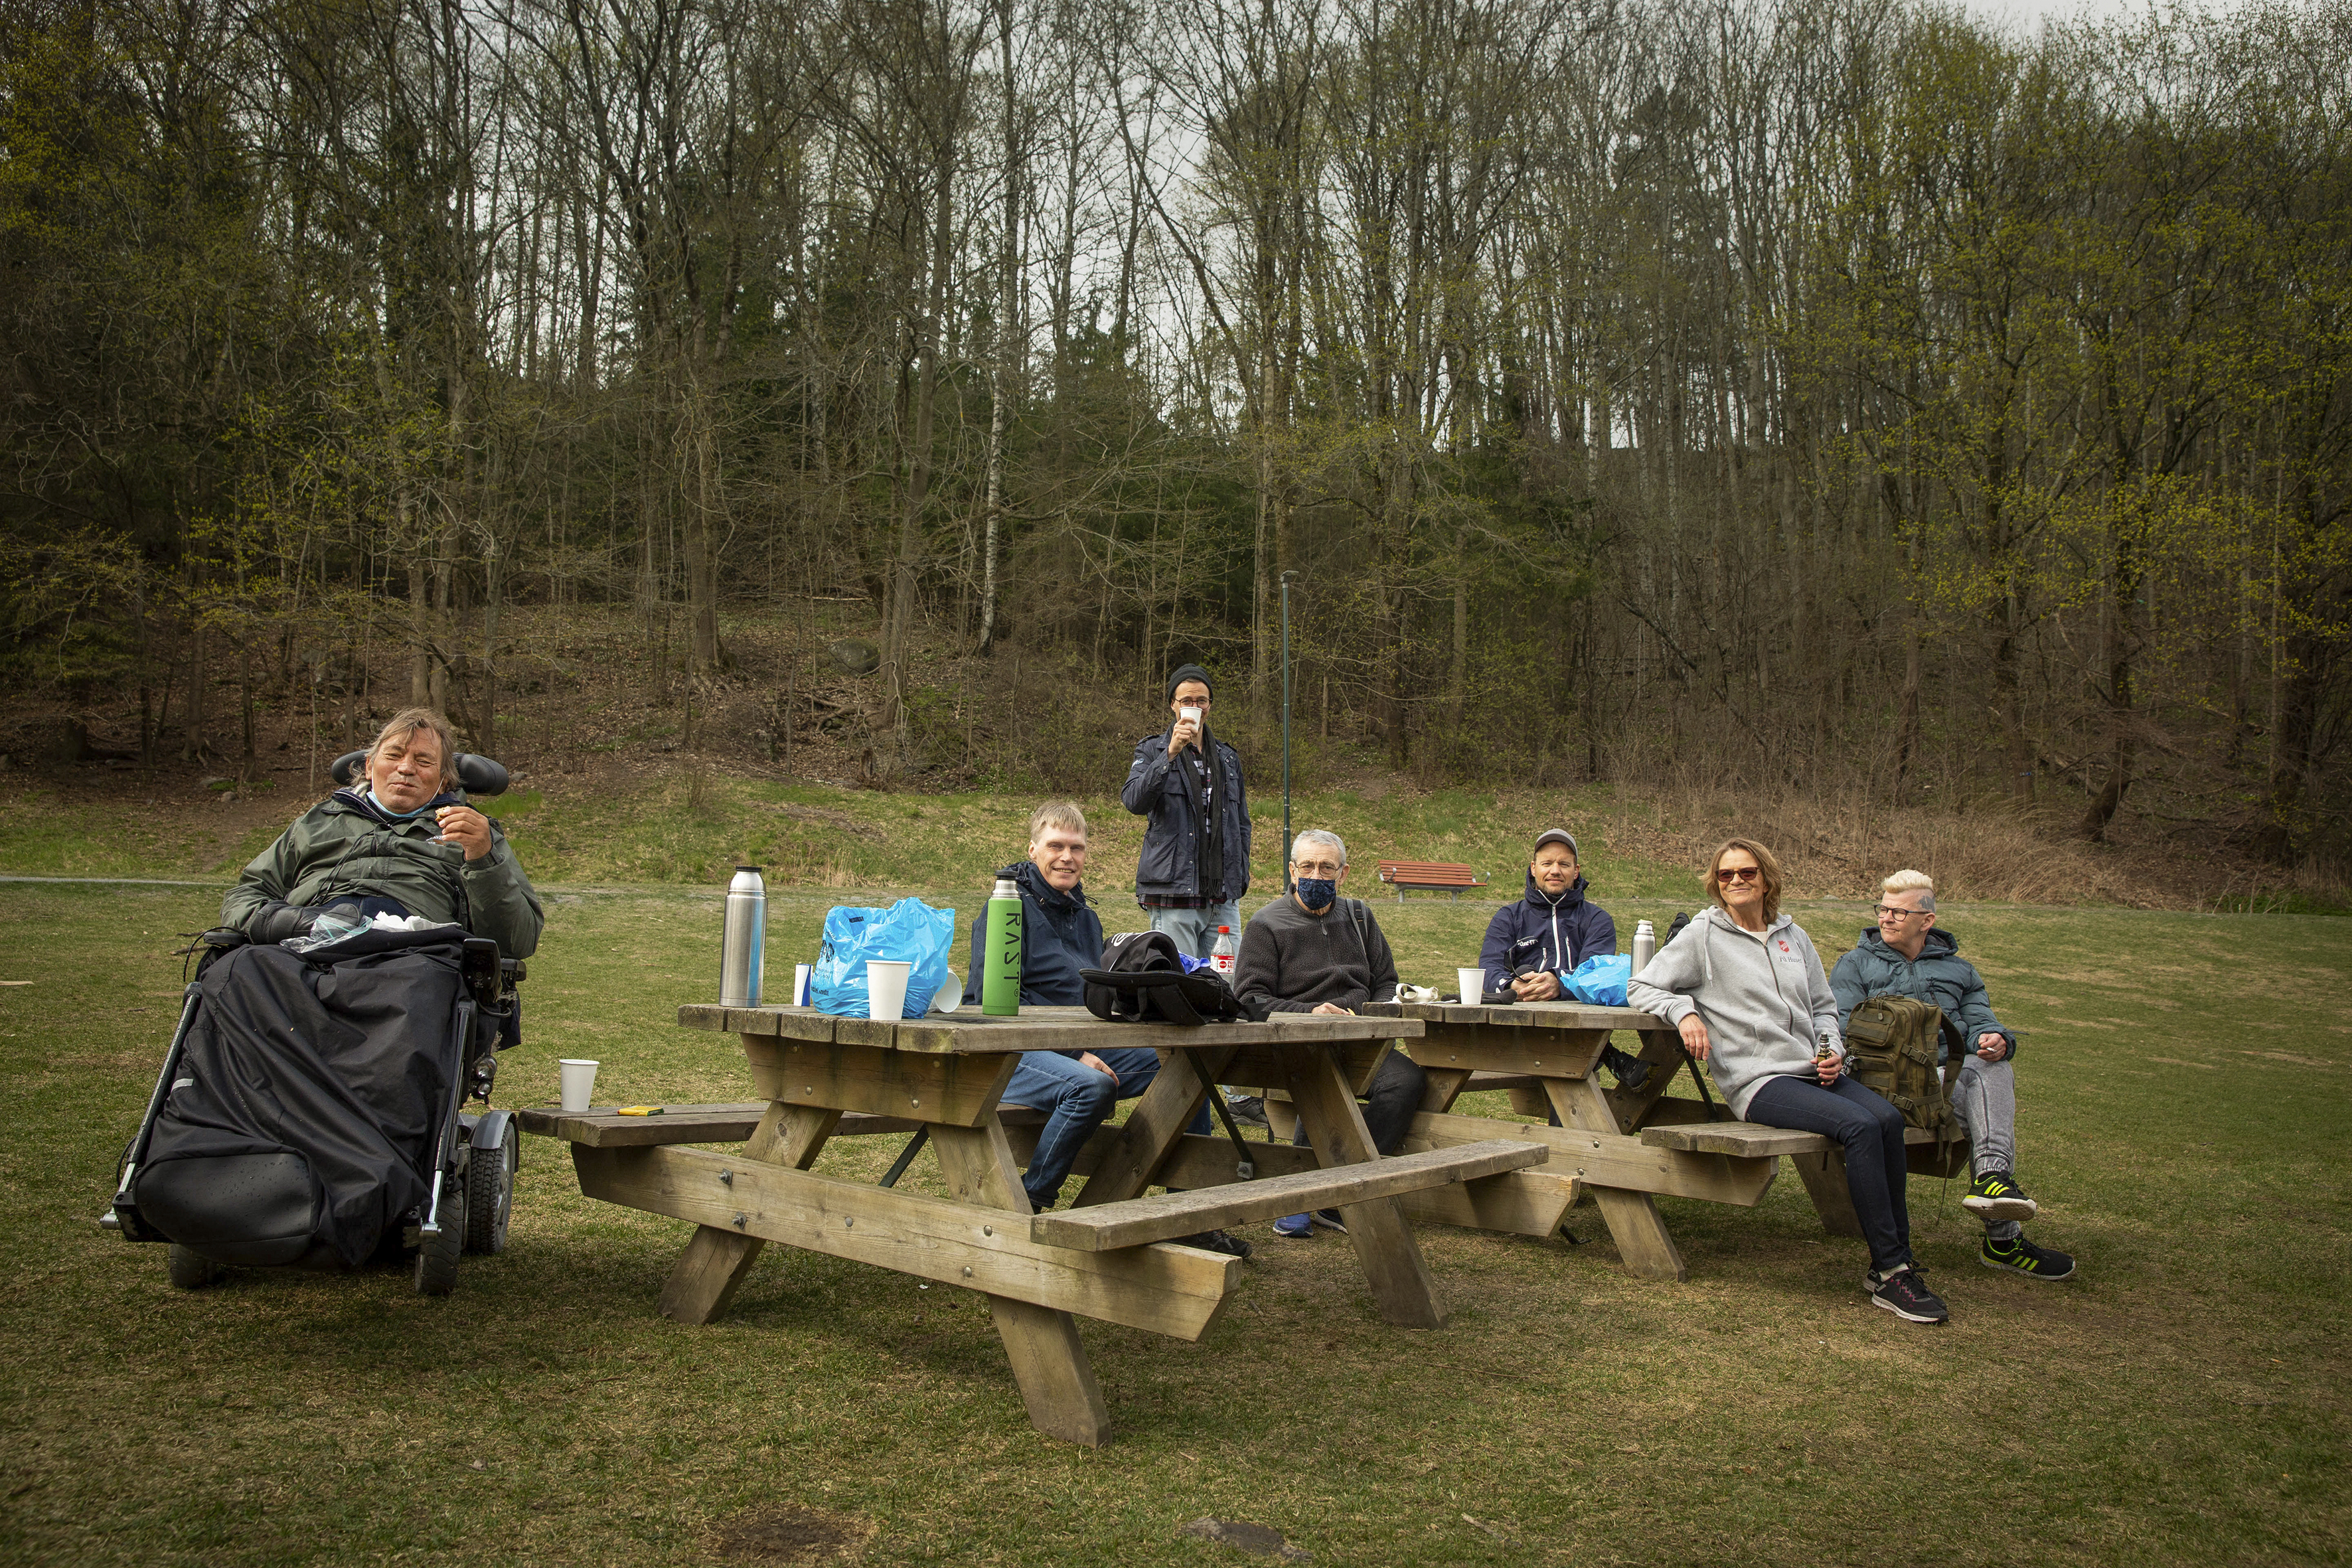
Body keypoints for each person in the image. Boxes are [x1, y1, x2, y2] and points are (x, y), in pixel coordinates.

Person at [1627, 838, 1950, 1324]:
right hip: (1758, 1081)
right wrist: (1684, 1012)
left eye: (1746, 873)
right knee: (1859, 1128)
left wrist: (1832, 1051)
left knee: (1885, 1118)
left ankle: (1895, 1259)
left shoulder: (1791, 936)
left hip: (1812, 1071)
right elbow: (1642, 985)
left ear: (1766, 879)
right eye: (1725, 875)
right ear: (1715, 885)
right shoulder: (1702, 935)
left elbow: (1823, 1006)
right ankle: (1890, 1271)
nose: (1736, 881)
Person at [961, 803, 1248, 1258]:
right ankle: (1029, 1209)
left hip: (1080, 1042)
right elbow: (986, 1002)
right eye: (1055, 846)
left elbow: (1093, 994)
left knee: (1187, 1071)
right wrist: (1074, 1054)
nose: (1066, 857)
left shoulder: (1083, 915)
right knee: (1089, 1087)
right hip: (1007, 1050)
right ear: (1032, 849)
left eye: (1076, 848)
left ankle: (1188, 1212)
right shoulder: (1004, 909)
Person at [1830, 870, 2075, 1281]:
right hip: (1885, 1087)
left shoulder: (1959, 971)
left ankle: (1993, 1183)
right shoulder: (1854, 965)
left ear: (1926, 920)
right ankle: (2003, 1238)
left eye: (1898, 912)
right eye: (1883, 909)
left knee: (1991, 1065)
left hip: (1950, 1081)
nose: (1886, 918)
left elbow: (1982, 1022)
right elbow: (1839, 1029)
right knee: (1983, 1084)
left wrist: (1995, 1039)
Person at [1231, 828, 1429, 1239]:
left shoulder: (1360, 917)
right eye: (1308, 866)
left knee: (1408, 1080)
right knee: (1319, 1077)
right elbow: (1249, 999)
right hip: (1298, 1041)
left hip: (1359, 1039)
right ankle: (1304, 1197)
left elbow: (1386, 981)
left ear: (1343, 874)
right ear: (1292, 870)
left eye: (1326, 868)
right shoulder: (1266, 924)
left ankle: (1343, 1191)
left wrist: (1370, 1017)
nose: (1316, 875)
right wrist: (1309, 1013)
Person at [221, 708, 543, 957]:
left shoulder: (474, 832)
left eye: (424, 760)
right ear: (368, 766)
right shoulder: (317, 821)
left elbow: (518, 941)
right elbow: (245, 895)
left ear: (445, 781)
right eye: (393, 755)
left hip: (412, 957)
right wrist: (290, 922)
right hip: (304, 946)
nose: (405, 768)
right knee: (235, 977)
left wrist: (483, 860)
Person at [1476, 828, 1644, 1088]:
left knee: (1569, 1067)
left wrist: (1559, 983)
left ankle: (1604, 1057)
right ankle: (1610, 1056)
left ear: (1576, 871)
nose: (1555, 870)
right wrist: (1513, 986)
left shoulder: (1597, 920)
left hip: (1576, 1030)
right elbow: (1488, 967)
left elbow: (1596, 973)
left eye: (1564, 864)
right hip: (1516, 1028)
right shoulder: (1508, 917)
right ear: (1533, 869)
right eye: (1547, 863)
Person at [1122, 663, 1249, 961]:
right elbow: (1133, 801)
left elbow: (1242, 823)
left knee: (1226, 983)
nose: (1195, 707)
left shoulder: (1228, 758)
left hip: (1221, 897)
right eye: (1187, 701)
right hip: (1174, 894)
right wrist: (1170, 754)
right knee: (1179, 983)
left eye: (1201, 701)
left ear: (1209, 706)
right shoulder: (1153, 750)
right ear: (1173, 705)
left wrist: (1239, 874)